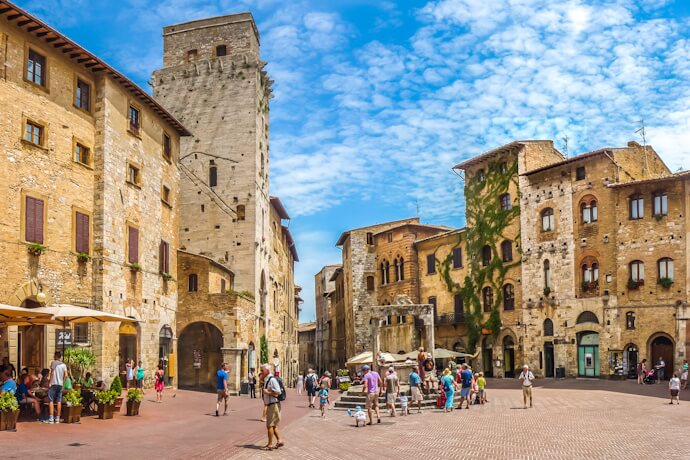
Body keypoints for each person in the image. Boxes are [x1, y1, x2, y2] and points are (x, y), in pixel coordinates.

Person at [261, 363, 283, 451]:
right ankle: (279, 440)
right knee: (273, 425)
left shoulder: (272, 379)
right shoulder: (267, 379)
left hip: (273, 405)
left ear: (267, 370)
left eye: (262, 370)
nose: (261, 372)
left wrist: (268, 392)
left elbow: (278, 392)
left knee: (270, 425)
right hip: (271, 404)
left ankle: (270, 444)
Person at [44, 351, 67, 424]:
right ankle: (57, 418)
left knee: (51, 400)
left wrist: (50, 382)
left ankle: (51, 418)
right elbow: (66, 375)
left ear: (56, 356)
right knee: (59, 401)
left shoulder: (53, 363)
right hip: (60, 384)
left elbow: (52, 373)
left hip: (53, 383)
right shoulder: (64, 365)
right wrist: (62, 383)